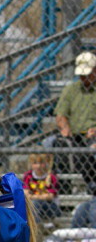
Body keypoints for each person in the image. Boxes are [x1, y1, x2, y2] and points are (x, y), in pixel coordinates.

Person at [49, 52, 96, 189]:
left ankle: (92, 186)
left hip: (92, 135)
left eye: (87, 74)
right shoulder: (71, 90)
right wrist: (64, 127)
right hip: (74, 135)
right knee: (57, 143)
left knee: (89, 150)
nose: (83, 77)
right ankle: (64, 189)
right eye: (82, 74)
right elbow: (61, 114)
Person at [21, 152, 61, 222]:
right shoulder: (28, 175)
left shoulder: (51, 176)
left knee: (36, 202)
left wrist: (33, 196)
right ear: (31, 164)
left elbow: (50, 197)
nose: (38, 166)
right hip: (33, 206)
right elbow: (25, 194)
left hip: (51, 207)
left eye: (41, 163)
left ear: (47, 163)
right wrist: (41, 196)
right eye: (35, 163)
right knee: (31, 203)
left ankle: (37, 226)